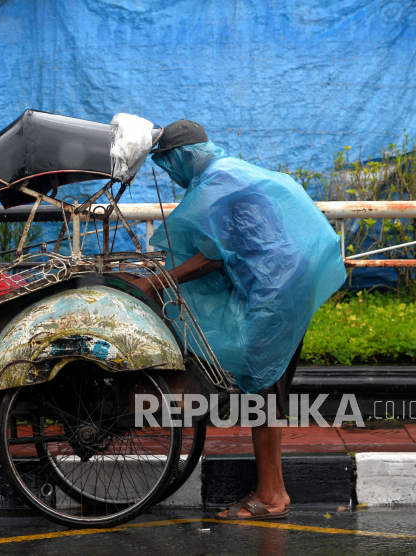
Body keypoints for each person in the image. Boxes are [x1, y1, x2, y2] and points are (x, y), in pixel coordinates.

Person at [132, 119, 346, 520]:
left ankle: (271, 498)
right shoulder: (230, 171)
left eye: (168, 164)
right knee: (265, 394)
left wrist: (159, 280)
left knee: (263, 393)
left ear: (183, 156)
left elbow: (214, 255)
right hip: (282, 286)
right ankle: (273, 492)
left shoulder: (217, 182)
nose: (169, 174)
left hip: (275, 292)